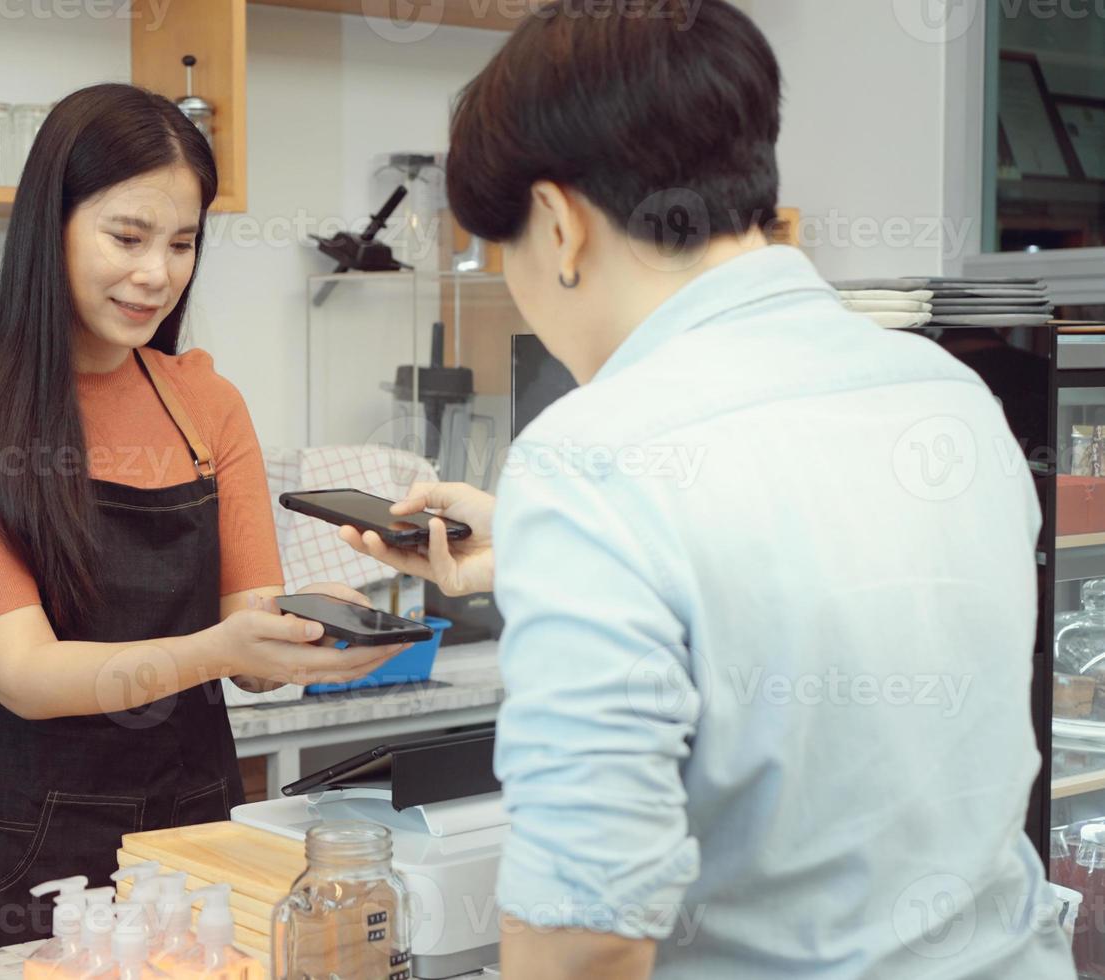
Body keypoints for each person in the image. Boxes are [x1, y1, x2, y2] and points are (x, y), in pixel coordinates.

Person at [341, 3, 1073, 978]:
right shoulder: (945, 396)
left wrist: (571, 527)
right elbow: (815, 586)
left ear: (558, 228)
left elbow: (583, 936)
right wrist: (533, 543)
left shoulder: (591, 456)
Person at [0, 83, 406, 964]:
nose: (157, 274)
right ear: (48, 225)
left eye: (182, 243)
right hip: (11, 851)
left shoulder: (208, 403)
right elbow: (22, 673)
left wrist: (311, 628)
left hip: (193, 841)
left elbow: (252, 656)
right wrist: (226, 647)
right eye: (126, 237)